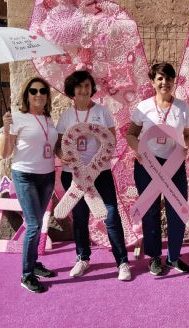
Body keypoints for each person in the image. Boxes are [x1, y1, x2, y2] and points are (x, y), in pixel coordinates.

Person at [55, 71, 130, 281]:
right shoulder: (67, 116)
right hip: (74, 174)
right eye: (79, 87)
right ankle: (82, 258)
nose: (83, 90)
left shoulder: (103, 112)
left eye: (87, 86)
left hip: (100, 172)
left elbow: (111, 141)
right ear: (72, 90)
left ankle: (122, 261)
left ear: (92, 89)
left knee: (111, 215)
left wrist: (97, 161)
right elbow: (58, 145)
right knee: (79, 218)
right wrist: (64, 156)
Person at [126, 62, 189, 276]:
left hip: (174, 164)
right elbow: (130, 135)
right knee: (151, 211)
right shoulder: (143, 107)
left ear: (174, 81)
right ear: (152, 82)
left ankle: (174, 256)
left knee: (177, 211)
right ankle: (155, 257)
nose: (164, 82)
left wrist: (185, 147)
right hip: (148, 165)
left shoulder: (182, 108)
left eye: (168, 78)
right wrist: (139, 151)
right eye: (160, 78)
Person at [0, 77, 58, 293]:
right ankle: (26, 274)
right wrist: (6, 130)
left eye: (43, 91)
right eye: (34, 91)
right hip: (25, 176)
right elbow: (5, 153)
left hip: (47, 176)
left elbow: (53, 147)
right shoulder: (16, 118)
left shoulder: (48, 119)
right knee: (33, 225)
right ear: (27, 94)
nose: (39, 94)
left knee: (38, 221)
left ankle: (33, 263)